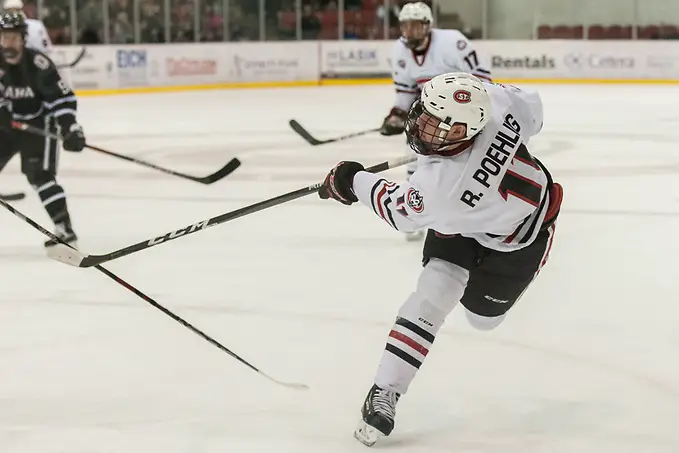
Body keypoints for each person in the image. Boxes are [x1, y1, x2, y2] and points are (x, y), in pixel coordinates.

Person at [318, 72, 563, 447]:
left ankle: (393, 383)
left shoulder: (439, 192)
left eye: (440, 127)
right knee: (434, 292)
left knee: (482, 320)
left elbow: (399, 210)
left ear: (466, 131)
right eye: (427, 115)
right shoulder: (496, 104)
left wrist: (350, 181)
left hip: (519, 240)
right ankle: (385, 392)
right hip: (465, 221)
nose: (425, 127)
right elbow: (534, 110)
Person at [380, 2, 491, 241]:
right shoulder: (399, 51)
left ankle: (474, 212)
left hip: (464, 112)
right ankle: (415, 212)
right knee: (418, 156)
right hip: (431, 113)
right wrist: (396, 115)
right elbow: (406, 94)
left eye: (415, 26)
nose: (409, 31)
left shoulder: (453, 43)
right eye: (405, 26)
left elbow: (483, 81)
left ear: (428, 26)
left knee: (468, 161)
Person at [0, 12, 85, 247]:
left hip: (37, 124)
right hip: (7, 127)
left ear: (23, 38)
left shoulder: (38, 64)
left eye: (13, 38)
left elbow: (62, 99)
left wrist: (70, 128)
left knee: (39, 176)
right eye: (4, 37)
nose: (8, 43)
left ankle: (64, 228)